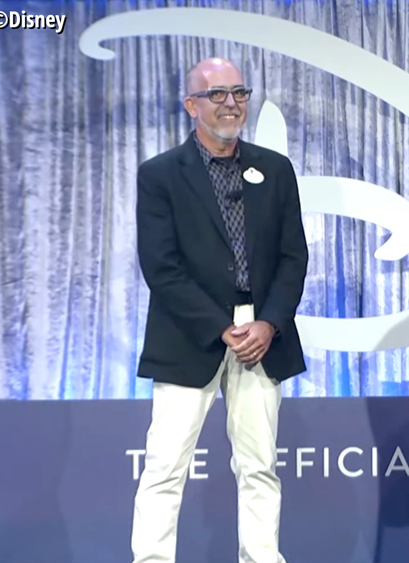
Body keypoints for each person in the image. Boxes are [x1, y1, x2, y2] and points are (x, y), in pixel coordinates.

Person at [130, 57, 308, 563]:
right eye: (217, 94)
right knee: (165, 466)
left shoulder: (275, 169)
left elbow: (294, 257)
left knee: (259, 466)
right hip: (190, 335)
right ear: (192, 105)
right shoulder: (160, 175)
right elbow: (161, 267)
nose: (231, 104)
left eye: (239, 93)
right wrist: (220, 327)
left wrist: (269, 323)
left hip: (261, 337)